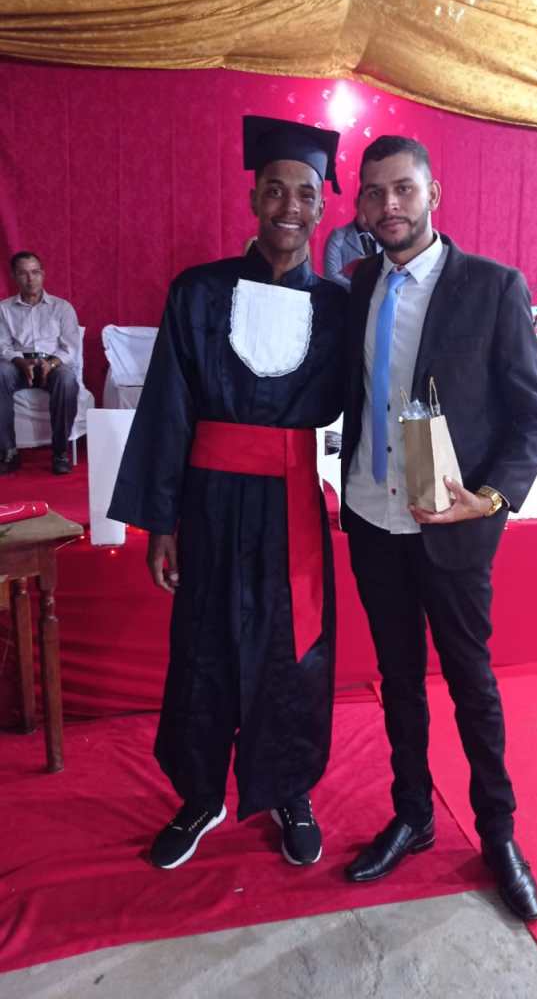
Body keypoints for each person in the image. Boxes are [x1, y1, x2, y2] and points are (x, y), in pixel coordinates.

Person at [108, 116, 347, 871]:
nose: (288, 206)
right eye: (274, 189)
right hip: (209, 499)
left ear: (322, 207)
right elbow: (168, 408)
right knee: (204, 643)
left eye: (304, 193)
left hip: (291, 502)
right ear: (252, 198)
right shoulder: (199, 292)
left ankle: (288, 787)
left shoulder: (340, 308)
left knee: (292, 648)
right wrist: (161, 521)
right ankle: (201, 793)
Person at [340, 136, 537, 922]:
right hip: (372, 513)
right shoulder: (359, 283)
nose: (388, 205)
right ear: (361, 207)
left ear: (433, 194)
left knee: (470, 680)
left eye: (403, 188)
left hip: (454, 526)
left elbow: (534, 414)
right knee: (397, 677)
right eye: (374, 193)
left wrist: (491, 498)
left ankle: (498, 832)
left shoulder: (493, 287)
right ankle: (413, 813)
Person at [0, 252, 80, 475]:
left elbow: (71, 348)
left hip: (52, 364)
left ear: (43, 274)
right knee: (0, 373)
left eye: (35, 272)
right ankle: (8, 451)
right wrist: (19, 361)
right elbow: (2, 345)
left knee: (67, 379)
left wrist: (51, 364)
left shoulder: (62, 308)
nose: (30, 279)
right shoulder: (4, 309)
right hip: (18, 365)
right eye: (23, 273)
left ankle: (60, 452)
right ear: (14, 276)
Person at [323, 194, 380, 291]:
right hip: (346, 296)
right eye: (365, 212)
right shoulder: (338, 236)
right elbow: (331, 275)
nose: (369, 218)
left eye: (373, 213)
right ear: (357, 203)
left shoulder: (383, 238)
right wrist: (358, 288)